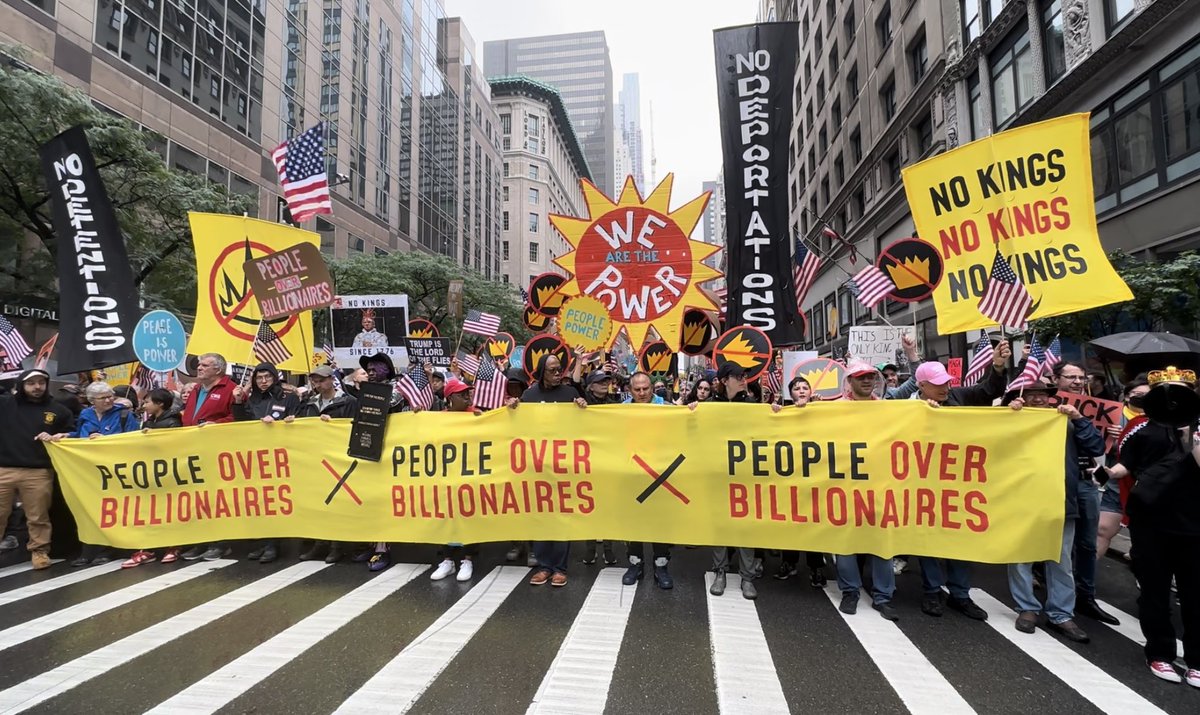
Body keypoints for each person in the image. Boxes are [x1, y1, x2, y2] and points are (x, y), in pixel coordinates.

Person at [1104, 367, 1200, 686]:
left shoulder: (1197, 428)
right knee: (1155, 592)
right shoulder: (1139, 428)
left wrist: (1190, 436)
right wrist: (1103, 473)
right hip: (1151, 523)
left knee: (1194, 594)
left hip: (1194, 524)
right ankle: (1160, 654)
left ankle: (1197, 659)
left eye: (1180, 391)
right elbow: (1125, 465)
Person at [1006, 379, 1104, 643]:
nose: (1038, 399)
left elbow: (1096, 447)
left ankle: (1061, 614)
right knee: (1021, 557)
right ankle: (1026, 607)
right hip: (1021, 501)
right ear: (1022, 398)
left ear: (1051, 397)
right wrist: (1007, 415)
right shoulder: (1013, 418)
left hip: (1060, 501)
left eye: (1043, 394)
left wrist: (1080, 419)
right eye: (1032, 394)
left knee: (1060, 560)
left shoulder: (1066, 422)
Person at [1049, 362, 1120, 626]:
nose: (1078, 381)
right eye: (1072, 377)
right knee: (1060, 545)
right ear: (1056, 378)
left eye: (1082, 377)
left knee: (1088, 544)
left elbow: (1096, 446)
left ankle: (1086, 596)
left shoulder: (1095, 409)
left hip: (1086, 482)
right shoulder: (1045, 405)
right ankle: (1055, 592)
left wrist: (1111, 434)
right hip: (1056, 483)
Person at [829, 362, 900, 621]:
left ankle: (883, 596)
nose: (867, 381)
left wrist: (929, 410)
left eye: (870, 377)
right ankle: (850, 590)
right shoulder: (835, 409)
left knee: (881, 540)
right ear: (850, 382)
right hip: (846, 484)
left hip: (879, 484)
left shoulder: (885, 408)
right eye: (861, 378)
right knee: (846, 540)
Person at [518, 354, 582, 587]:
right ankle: (544, 566)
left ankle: (560, 568)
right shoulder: (529, 396)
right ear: (541, 372)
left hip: (563, 465)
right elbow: (519, 426)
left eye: (560, 370)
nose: (558, 374)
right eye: (553, 370)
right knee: (541, 515)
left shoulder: (570, 394)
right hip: (537, 465)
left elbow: (583, 425)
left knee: (561, 516)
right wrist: (513, 409)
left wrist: (582, 408)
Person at [0, 369, 75, 570]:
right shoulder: (5, 404)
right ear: (21, 385)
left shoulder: (59, 410)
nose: (37, 387)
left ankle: (39, 551)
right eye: (31, 383)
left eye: (41, 382)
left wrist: (62, 436)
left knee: (38, 515)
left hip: (38, 471)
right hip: (3, 469)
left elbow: (72, 432)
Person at [65, 381, 141, 567]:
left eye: (110, 396)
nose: (109, 400)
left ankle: (108, 550)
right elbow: (80, 435)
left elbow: (134, 439)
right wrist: (66, 436)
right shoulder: (85, 414)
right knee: (89, 510)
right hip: (88, 471)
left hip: (114, 470)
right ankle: (87, 549)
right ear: (92, 401)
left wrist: (105, 440)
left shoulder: (124, 414)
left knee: (111, 511)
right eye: (103, 397)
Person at [232, 363, 301, 564]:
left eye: (267, 377)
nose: (263, 382)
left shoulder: (288, 397)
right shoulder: (251, 400)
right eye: (259, 378)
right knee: (259, 501)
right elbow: (240, 423)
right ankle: (263, 541)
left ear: (274, 378)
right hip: (256, 456)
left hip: (281, 456)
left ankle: (274, 543)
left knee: (276, 500)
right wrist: (237, 402)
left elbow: (299, 420)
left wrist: (283, 424)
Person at [289, 366, 358, 563]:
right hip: (313, 458)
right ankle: (319, 543)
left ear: (331, 380)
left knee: (335, 502)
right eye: (314, 381)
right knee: (317, 502)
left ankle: (336, 545)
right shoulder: (309, 403)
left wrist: (335, 423)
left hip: (336, 458)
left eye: (320, 380)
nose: (317, 384)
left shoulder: (348, 401)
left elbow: (354, 427)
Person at [703, 362, 760, 600]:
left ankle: (747, 577)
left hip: (744, 473)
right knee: (721, 525)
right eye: (738, 376)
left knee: (744, 525)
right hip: (717, 472)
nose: (744, 379)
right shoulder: (709, 406)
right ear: (725, 380)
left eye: (745, 376)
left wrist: (778, 412)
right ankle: (720, 572)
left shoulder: (752, 406)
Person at [179, 352, 238, 562]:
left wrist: (217, 425)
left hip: (217, 452)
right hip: (194, 451)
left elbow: (239, 419)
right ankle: (200, 540)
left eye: (205, 365)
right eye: (199, 365)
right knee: (198, 499)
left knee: (217, 499)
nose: (199, 368)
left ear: (218, 370)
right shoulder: (195, 389)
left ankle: (220, 543)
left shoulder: (230, 390)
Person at [771, 376, 828, 588]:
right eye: (797, 388)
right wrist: (775, 414)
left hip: (814, 477)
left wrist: (819, 408)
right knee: (790, 522)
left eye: (805, 388)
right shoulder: (783, 412)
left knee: (812, 523)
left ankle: (816, 566)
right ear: (790, 393)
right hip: (790, 477)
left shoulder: (819, 410)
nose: (801, 391)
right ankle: (789, 562)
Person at [619, 372, 673, 588]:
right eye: (637, 389)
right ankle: (635, 564)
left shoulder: (668, 408)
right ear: (630, 391)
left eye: (645, 388)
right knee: (633, 522)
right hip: (632, 473)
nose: (642, 393)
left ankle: (661, 566)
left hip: (660, 474)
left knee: (659, 522)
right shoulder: (620, 411)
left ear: (652, 388)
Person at [124, 388, 183, 567]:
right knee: (148, 512)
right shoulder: (148, 422)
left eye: (148, 402)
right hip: (150, 473)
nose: (144, 405)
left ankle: (172, 546)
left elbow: (176, 446)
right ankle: (146, 549)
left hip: (167, 474)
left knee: (170, 511)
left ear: (160, 404)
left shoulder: (173, 423)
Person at [430, 377, 480, 582]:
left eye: (468, 393)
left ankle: (468, 560)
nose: (467, 396)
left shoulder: (477, 415)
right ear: (450, 398)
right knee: (446, 516)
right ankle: (448, 560)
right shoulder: (438, 418)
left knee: (469, 516)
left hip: (470, 475)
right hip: (446, 475)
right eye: (462, 394)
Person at [1097, 378, 1149, 556]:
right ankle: (1080, 579)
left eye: (1149, 395)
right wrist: (1109, 437)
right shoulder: (1110, 414)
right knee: (1102, 530)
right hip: (1114, 483)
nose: (1143, 398)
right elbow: (1093, 445)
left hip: (1146, 486)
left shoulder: (1162, 420)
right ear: (1127, 396)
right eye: (1138, 395)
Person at [580, 370, 620, 566]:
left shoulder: (615, 405)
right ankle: (589, 549)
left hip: (608, 461)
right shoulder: (580, 403)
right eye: (600, 381)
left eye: (606, 381)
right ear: (591, 385)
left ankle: (608, 549)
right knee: (589, 507)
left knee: (607, 507)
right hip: (587, 462)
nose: (604, 384)